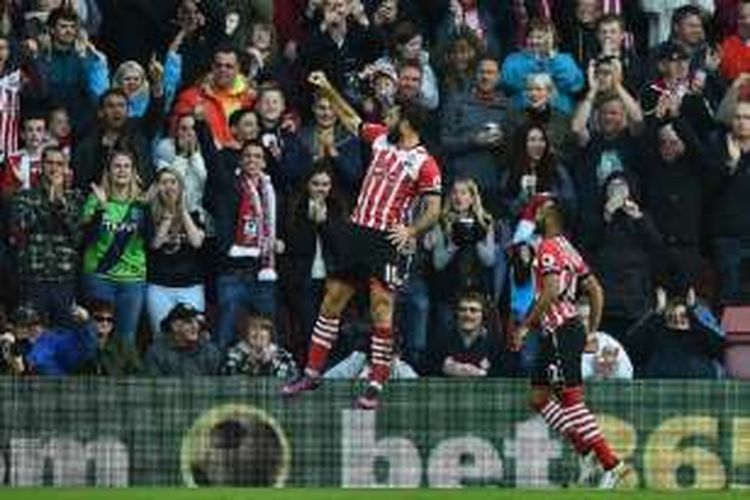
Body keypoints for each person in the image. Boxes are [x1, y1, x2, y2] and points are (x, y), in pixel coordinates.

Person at [282, 71, 442, 410]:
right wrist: (328, 87)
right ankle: (311, 372)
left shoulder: (425, 163)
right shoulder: (381, 138)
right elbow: (349, 117)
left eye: (394, 114)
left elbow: (435, 207)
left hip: (387, 239)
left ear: (408, 121)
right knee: (333, 300)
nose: (387, 117)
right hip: (358, 231)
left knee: (381, 308)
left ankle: (377, 381)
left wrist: (412, 231)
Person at [510, 196, 630, 488]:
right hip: (564, 330)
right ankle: (585, 449)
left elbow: (550, 290)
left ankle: (611, 464)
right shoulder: (568, 248)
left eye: (539, 209)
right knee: (539, 398)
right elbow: (596, 290)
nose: (535, 214)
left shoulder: (549, 247)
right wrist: (590, 332)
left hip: (561, 329)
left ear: (551, 213)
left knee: (571, 399)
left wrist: (525, 325)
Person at [211, 140, 280, 350]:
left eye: (258, 156)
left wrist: (278, 241)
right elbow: (223, 224)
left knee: (267, 332)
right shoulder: (230, 186)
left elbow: (276, 225)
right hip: (233, 271)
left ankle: (272, 375)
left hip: (263, 270)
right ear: (241, 161)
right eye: (248, 156)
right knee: (225, 330)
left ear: (265, 163)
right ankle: (216, 378)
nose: (252, 160)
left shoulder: (271, 191)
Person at [81, 150, 148, 350]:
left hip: (132, 279)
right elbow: (87, 238)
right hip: (99, 276)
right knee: (96, 336)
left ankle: (122, 380)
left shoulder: (141, 204)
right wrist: (100, 208)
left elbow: (151, 240)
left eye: (126, 166)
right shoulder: (96, 198)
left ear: (133, 172)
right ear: (108, 171)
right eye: (117, 166)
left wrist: (151, 210)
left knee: (126, 337)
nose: (122, 170)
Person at [8, 146, 83, 325]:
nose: (54, 168)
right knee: (32, 336)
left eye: (59, 164)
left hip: (64, 279)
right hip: (33, 278)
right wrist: (48, 201)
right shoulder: (23, 196)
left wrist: (61, 203)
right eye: (49, 163)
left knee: (63, 336)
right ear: (41, 165)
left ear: (65, 168)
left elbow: (78, 236)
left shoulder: (75, 198)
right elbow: (19, 227)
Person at [145, 168, 206, 342]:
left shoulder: (194, 213)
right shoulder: (149, 215)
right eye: (164, 182)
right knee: (161, 337)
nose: (169, 186)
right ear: (157, 188)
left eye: (173, 182)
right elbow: (156, 244)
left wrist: (182, 209)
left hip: (190, 287)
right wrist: (168, 216)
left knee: (192, 337)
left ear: (180, 186)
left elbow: (196, 242)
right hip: (159, 287)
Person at [626, 288, 724, 378]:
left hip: (697, 389)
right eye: (671, 317)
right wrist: (657, 313)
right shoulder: (656, 335)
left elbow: (718, 346)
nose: (677, 320)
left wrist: (693, 310)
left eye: (683, 316)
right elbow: (633, 346)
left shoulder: (699, 335)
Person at [3, 303, 96, 376]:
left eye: (33, 324)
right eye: (20, 326)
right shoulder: (9, 341)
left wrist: (85, 323)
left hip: (53, 391)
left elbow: (85, 350)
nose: (33, 329)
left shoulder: (55, 341)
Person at [144, 303, 221, 376]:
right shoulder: (157, 352)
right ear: (175, 327)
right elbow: (155, 386)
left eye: (197, 322)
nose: (195, 326)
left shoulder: (210, 351)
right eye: (189, 322)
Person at [438, 292, 501, 378]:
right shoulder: (442, 340)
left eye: (473, 310)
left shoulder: (493, 343)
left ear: (483, 315)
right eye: (462, 310)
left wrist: (480, 373)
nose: (467, 314)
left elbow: (500, 375)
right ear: (456, 313)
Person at [222, 312, 299, 380]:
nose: (258, 333)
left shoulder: (282, 355)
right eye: (253, 327)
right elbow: (228, 378)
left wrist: (270, 363)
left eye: (264, 328)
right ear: (245, 331)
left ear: (271, 333)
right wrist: (249, 363)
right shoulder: (234, 354)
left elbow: (292, 380)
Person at [76, 298, 142, 375]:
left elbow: (138, 373)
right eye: (99, 319)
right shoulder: (78, 341)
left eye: (109, 320)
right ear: (89, 319)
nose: (105, 323)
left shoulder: (124, 345)